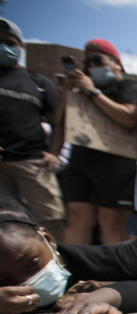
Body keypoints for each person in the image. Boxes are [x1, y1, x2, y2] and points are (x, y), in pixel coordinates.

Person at [0, 195, 137, 314]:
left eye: (31, 265)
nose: (26, 283)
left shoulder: (133, 261)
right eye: (3, 280)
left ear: (49, 239)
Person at [59, 39, 137, 246]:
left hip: (117, 162)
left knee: (111, 220)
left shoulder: (129, 87)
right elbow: (59, 124)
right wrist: (67, 95)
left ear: (116, 62)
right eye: (88, 63)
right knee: (76, 216)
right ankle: (76, 272)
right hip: (82, 159)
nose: (91, 67)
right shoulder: (78, 91)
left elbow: (130, 118)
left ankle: (112, 276)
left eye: (98, 61)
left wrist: (93, 92)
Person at [0, 17, 66, 239]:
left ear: (20, 47)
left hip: (32, 161)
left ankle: (56, 264)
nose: (4, 47)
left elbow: (58, 123)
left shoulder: (38, 82)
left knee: (52, 216)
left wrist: (54, 153)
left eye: (10, 42)